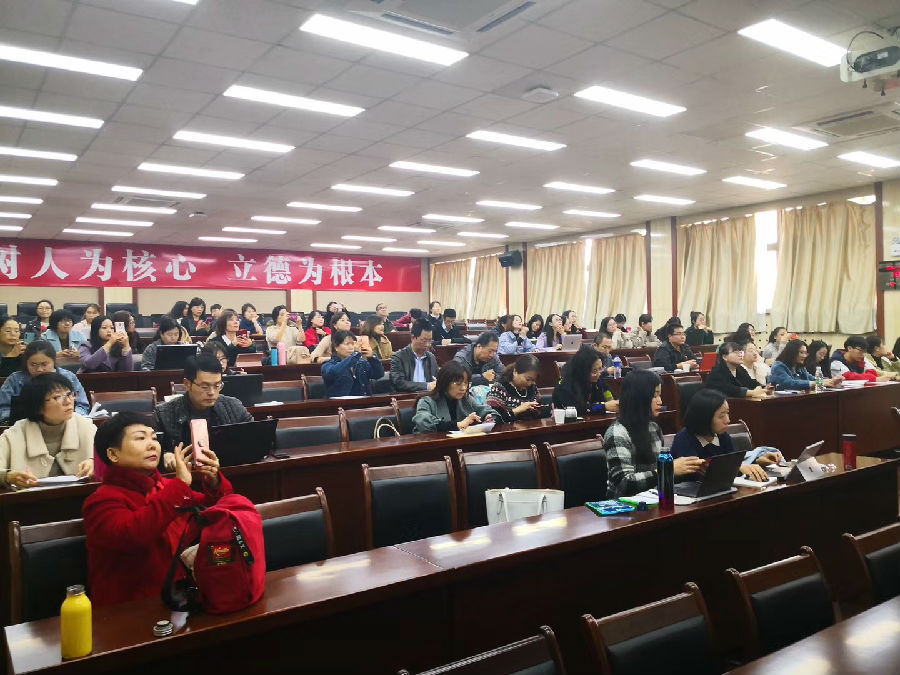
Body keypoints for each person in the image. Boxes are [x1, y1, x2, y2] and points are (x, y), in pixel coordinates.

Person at [83, 411, 232, 607]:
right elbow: (134, 535)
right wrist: (180, 486)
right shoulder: (101, 501)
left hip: (179, 596)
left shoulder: (166, 487)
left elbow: (215, 510)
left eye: (154, 438)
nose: (152, 444)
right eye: (140, 438)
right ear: (113, 454)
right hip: (127, 608)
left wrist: (213, 482)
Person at [605, 370, 703, 498]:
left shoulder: (653, 428)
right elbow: (624, 483)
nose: (660, 401)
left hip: (653, 498)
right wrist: (668, 469)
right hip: (624, 505)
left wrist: (690, 468)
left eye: (660, 395)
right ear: (639, 397)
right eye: (655, 395)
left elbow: (658, 474)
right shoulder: (617, 432)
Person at [153, 353, 253, 469]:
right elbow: (152, 450)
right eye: (204, 387)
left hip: (225, 472)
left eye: (217, 385)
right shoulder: (164, 414)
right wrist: (165, 456)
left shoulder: (233, 407)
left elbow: (254, 437)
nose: (211, 392)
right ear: (187, 384)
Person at [0, 373, 95, 488]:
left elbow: (110, 459)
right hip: (31, 498)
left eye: (69, 394)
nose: (68, 401)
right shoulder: (14, 434)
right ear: (37, 406)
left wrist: (95, 463)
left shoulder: (86, 427)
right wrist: (7, 477)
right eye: (57, 397)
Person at [670, 389, 782, 482]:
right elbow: (699, 475)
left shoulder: (723, 436)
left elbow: (732, 464)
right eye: (721, 416)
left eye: (727, 413)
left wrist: (757, 462)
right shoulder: (684, 439)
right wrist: (737, 468)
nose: (728, 420)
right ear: (705, 418)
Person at [0, 341, 90, 423]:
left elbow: (82, 405)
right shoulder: (14, 380)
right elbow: (3, 408)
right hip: (23, 426)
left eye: (44, 364)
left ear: (53, 361)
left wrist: (71, 418)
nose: (39, 369)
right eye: (33, 364)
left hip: (65, 424)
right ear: (26, 363)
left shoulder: (68, 377)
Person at [412, 360, 496, 433]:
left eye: (466, 383)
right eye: (458, 383)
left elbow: (486, 410)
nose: (463, 388)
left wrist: (489, 417)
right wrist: (458, 424)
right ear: (445, 382)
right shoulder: (426, 401)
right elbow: (423, 422)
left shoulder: (466, 399)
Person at [553, 345, 620, 416]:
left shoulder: (597, 380)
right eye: (594, 371)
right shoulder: (565, 385)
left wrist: (615, 402)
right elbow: (579, 409)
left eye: (600, 368)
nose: (598, 374)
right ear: (583, 371)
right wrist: (603, 407)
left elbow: (609, 394)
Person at [322, 330, 385, 398]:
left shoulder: (361, 363)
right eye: (347, 344)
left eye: (353, 344)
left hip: (364, 402)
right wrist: (355, 355)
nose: (351, 347)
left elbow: (379, 374)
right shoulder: (328, 365)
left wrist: (372, 358)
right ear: (336, 347)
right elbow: (335, 372)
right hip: (340, 403)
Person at [486, 354, 543, 424]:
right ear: (515, 372)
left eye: (533, 380)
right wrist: (517, 410)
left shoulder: (532, 387)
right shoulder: (500, 388)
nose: (530, 383)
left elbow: (538, 412)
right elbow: (493, 419)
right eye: (528, 379)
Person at [390, 318, 438, 392]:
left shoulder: (431, 357)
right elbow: (399, 383)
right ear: (412, 337)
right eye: (424, 341)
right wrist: (427, 386)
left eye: (430, 340)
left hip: (428, 397)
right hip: (407, 397)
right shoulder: (398, 357)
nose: (428, 344)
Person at [771, 339, 840, 389]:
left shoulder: (799, 367)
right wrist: (817, 383)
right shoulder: (778, 366)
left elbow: (812, 378)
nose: (805, 356)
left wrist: (831, 380)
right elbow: (790, 383)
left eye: (806, 353)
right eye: (801, 352)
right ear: (792, 352)